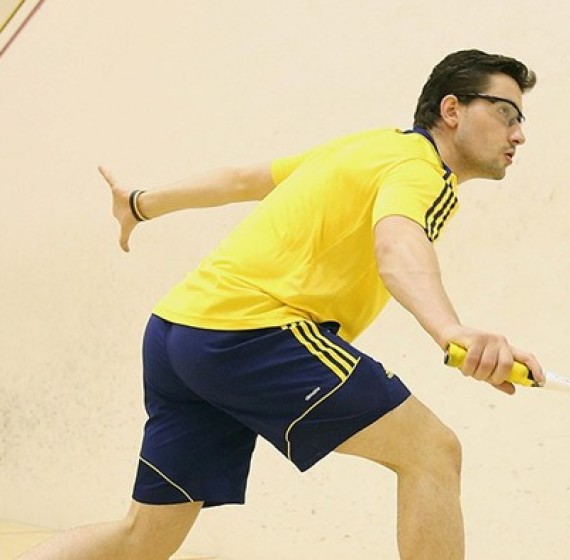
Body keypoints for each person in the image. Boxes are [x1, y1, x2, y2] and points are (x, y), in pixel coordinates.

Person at [22, 49, 543, 560]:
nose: (518, 134)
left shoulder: (371, 146)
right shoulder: (423, 171)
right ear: (451, 110)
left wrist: (141, 204)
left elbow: (242, 181)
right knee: (432, 452)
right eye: (506, 113)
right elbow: (398, 243)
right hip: (253, 333)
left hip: (177, 331)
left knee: (144, 538)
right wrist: (450, 330)